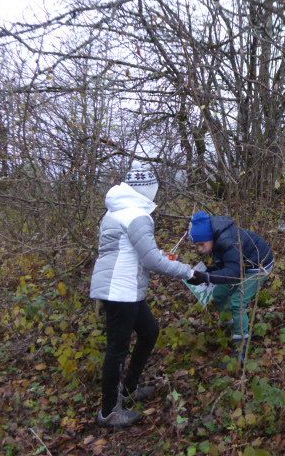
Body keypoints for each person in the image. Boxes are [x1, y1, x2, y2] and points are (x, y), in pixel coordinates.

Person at [90, 162, 195, 428]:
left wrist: (160, 257)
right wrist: (189, 271)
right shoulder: (136, 214)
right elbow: (150, 260)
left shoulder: (117, 210)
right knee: (117, 349)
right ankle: (108, 412)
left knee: (149, 331)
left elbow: (135, 253)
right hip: (120, 290)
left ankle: (129, 388)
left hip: (124, 288)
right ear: (149, 189)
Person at [187, 211, 274, 362]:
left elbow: (233, 274)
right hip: (241, 265)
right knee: (219, 294)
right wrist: (205, 273)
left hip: (259, 265)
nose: (199, 249)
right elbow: (225, 263)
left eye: (202, 244)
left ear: (210, 238)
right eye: (197, 245)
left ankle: (241, 345)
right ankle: (230, 324)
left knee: (237, 301)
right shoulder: (216, 237)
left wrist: (207, 277)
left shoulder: (228, 241)